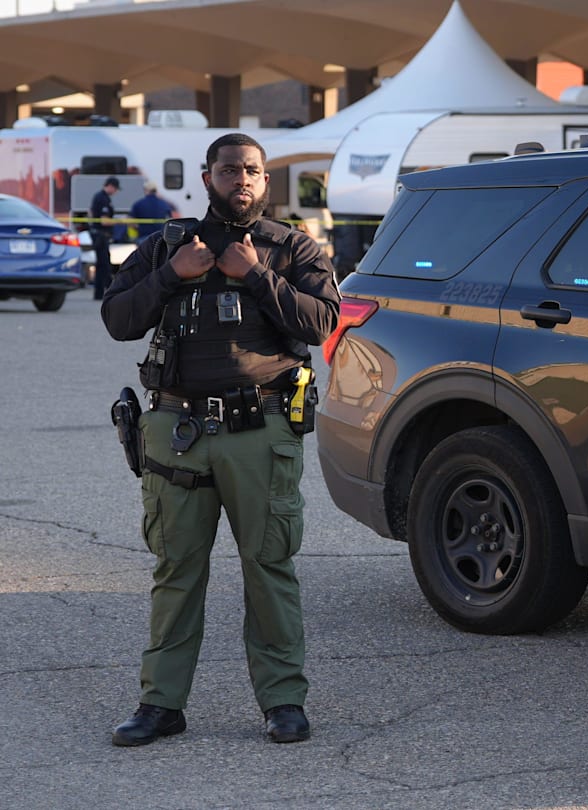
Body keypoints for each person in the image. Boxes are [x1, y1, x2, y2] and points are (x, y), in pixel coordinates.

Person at [101, 133, 340, 747]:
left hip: (259, 431)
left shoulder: (292, 248)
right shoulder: (170, 244)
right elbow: (117, 318)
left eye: (253, 171)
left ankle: (283, 701)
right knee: (176, 569)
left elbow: (324, 323)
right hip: (178, 433)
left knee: (268, 567)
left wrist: (257, 276)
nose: (243, 179)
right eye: (230, 169)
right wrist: (172, 276)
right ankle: (161, 704)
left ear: (265, 181)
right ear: (208, 177)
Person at [91, 176, 120, 299]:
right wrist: (119, 222)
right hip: (102, 235)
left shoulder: (99, 197)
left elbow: (91, 213)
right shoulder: (103, 199)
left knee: (102, 264)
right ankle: (108, 291)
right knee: (104, 265)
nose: (116, 192)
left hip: (99, 235)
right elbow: (104, 221)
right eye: (116, 189)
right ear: (110, 186)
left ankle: (100, 293)